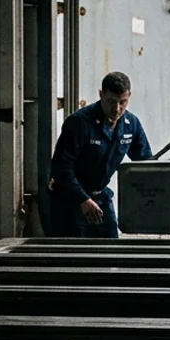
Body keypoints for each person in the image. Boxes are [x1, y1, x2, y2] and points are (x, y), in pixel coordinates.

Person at [47, 71, 153, 238]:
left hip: (101, 197)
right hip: (70, 200)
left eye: (123, 102)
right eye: (111, 101)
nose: (117, 109)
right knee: (73, 256)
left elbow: (146, 163)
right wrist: (82, 199)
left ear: (129, 97)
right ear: (101, 94)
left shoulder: (131, 124)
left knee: (111, 250)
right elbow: (61, 167)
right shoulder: (79, 123)